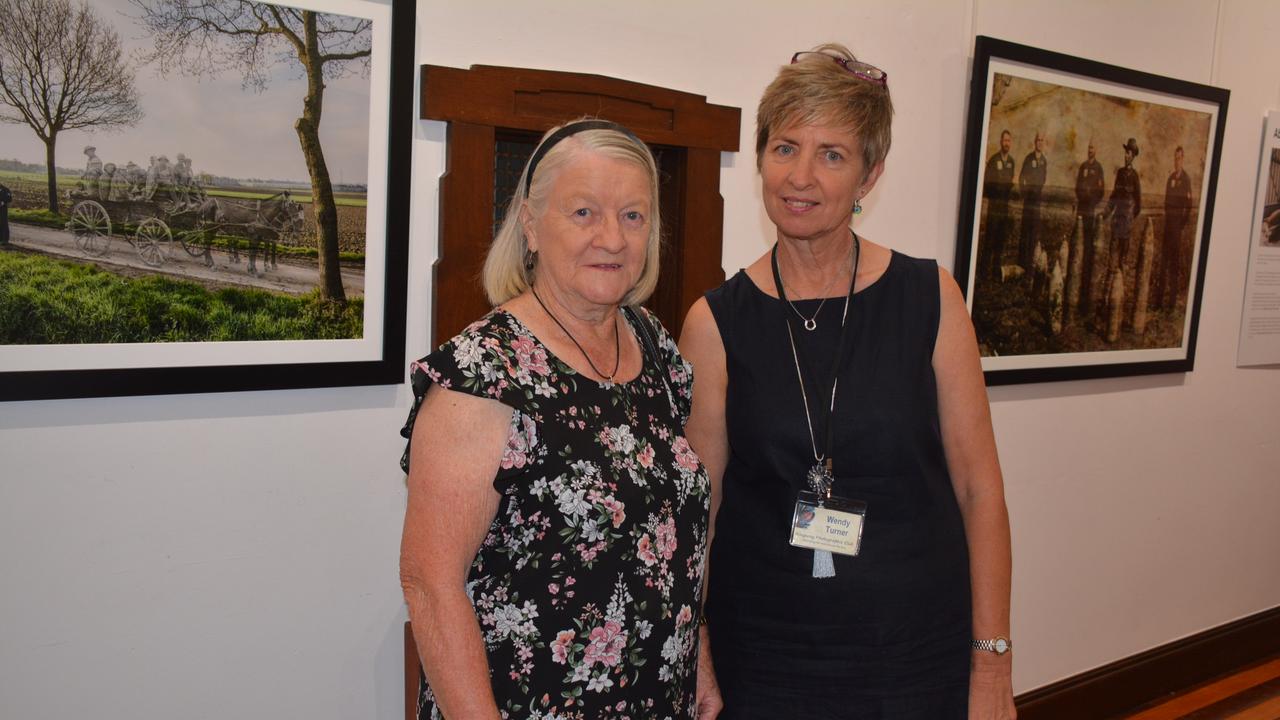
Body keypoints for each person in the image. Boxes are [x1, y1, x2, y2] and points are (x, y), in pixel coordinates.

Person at [680, 44, 1015, 719]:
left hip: (914, 649)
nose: (801, 176)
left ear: (869, 175)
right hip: (765, 653)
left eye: (832, 154)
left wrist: (991, 663)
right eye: (784, 147)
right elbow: (698, 516)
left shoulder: (931, 300)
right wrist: (698, 647)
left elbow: (981, 491)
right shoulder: (714, 323)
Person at [398, 119, 715, 720]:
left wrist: (696, 656)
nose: (612, 239)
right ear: (529, 224)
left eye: (633, 216)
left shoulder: (656, 347)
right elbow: (429, 583)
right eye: (583, 213)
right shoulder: (484, 374)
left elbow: (675, 539)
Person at [1104, 138, 1142, 318]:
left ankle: (1119, 306)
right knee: (1111, 263)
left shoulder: (1135, 177)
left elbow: (1139, 204)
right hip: (1116, 223)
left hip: (1125, 227)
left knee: (1123, 265)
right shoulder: (1119, 173)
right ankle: (1107, 303)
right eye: (1125, 152)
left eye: (1129, 153)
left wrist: (1129, 218)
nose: (1126, 156)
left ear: (1133, 156)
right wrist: (1106, 214)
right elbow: (1113, 196)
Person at [1156, 146, 1193, 310]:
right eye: (1175, 158)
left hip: (1177, 228)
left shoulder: (1186, 180)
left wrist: (1181, 224)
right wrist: (1169, 218)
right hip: (1168, 226)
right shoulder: (1170, 178)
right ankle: (1158, 302)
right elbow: (1165, 201)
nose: (1176, 161)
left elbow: (1189, 205)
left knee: (1174, 265)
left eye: (1179, 158)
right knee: (1163, 263)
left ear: (1183, 159)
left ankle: (1171, 303)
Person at [981, 129, 1017, 280]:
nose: (1006, 143)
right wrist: (1002, 188)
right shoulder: (994, 160)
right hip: (994, 207)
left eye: (1009, 141)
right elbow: (988, 186)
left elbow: (1011, 185)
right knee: (990, 239)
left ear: (1011, 143)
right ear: (1000, 142)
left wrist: (1009, 189)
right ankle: (983, 272)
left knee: (1000, 241)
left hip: (1004, 208)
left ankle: (996, 272)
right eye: (1004, 141)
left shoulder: (1011, 162)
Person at [1075, 141, 1105, 315]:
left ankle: (1085, 296)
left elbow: (1101, 192)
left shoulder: (1099, 168)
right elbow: (1077, 187)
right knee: (1078, 250)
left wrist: (1092, 202)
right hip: (1081, 211)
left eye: (1093, 147)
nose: (1091, 150)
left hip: (1090, 214)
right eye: (1089, 147)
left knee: (1087, 253)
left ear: (1096, 150)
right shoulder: (1082, 167)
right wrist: (1082, 200)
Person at [1018, 131, 1048, 274]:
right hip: (1028, 201)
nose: (1040, 143)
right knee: (1025, 231)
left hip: (1037, 202)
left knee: (1034, 232)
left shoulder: (1044, 161)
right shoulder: (1028, 159)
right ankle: (1021, 262)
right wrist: (1024, 192)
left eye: (1042, 140)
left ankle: (1031, 263)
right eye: (1038, 140)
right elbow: (1021, 177)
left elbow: (1043, 179)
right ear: (1034, 142)